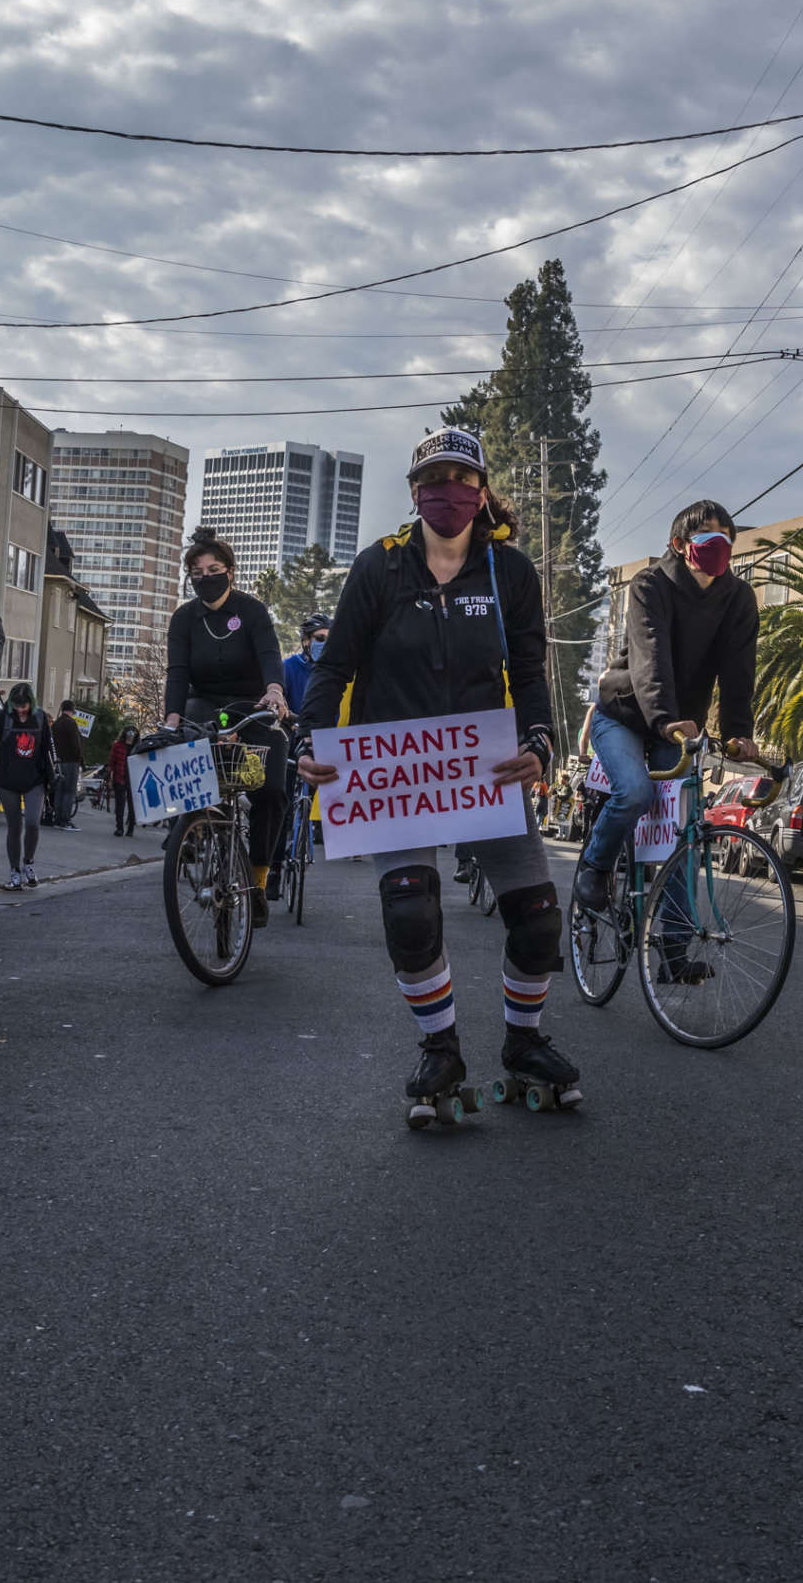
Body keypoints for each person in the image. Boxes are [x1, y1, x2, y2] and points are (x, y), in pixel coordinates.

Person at [298, 427, 567, 1122]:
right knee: (411, 910)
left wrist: (542, 741)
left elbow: (532, 675)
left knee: (538, 921)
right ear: (416, 491)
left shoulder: (510, 573)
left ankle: (525, 1043)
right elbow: (334, 668)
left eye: (463, 479)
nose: (449, 492)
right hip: (398, 776)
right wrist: (312, 738)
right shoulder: (379, 568)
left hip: (488, 770)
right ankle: (439, 1047)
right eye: (436, 479)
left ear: (482, 492)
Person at [575, 500, 763, 936]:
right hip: (624, 713)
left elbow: (739, 671)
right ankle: (595, 867)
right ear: (679, 544)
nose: (720, 546)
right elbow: (650, 657)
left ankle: (675, 950)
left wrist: (739, 733)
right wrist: (664, 719)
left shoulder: (738, 599)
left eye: (727, 539)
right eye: (708, 537)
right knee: (636, 792)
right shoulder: (649, 585)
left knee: (683, 827)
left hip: (679, 725)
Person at [163, 527, 290, 923]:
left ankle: (258, 877)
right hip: (202, 705)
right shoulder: (184, 618)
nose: (205, 577)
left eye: (213, 569)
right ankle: (188, 830)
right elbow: (177, 673)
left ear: (230, 572)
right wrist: (170, 718)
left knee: (271, 789)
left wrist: (274, 691)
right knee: (179, 755)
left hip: (253, 704)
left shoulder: (251, 611)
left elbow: (270, 654)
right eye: (197, 572)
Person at [0, 682, 54, 888]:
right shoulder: (1, 718)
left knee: (33, 823)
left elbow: (48, 748)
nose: (21, 709)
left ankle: (28, 862)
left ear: (31, 703)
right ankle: (14, 870)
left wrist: (52, 774)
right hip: (7, 780)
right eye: (17, 705)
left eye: (24, 705)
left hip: (34, 779)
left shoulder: (41, 718)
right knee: (14, 827)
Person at [284, 614, 332, 717]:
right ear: (306, 640)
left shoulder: (337, 671)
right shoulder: (288, 667)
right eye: (320, 638)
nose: (326, 644)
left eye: (330, 639)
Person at [51, 700, 85, 829]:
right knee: (69, 791)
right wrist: (81, 759)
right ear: (72, 710)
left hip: (59, 761)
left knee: (59, 790)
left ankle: (57, 817)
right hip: (71, 761)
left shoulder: (56, 724)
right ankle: (65, 819)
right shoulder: (71, 723)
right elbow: (76, 744)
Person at [109, 728, 137, 835]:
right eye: (129, 732)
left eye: (133, 732)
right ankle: (119, 827)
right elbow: (112, 762)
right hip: (120, 777)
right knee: (119, 805)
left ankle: (131, 828)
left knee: (132, 806)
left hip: (133, 780)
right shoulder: (118, 746)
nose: (131, 734)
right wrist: (111, 778)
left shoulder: (138, 747)